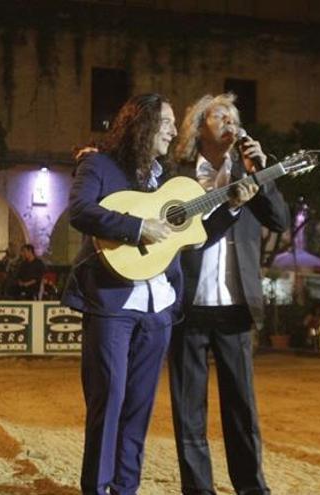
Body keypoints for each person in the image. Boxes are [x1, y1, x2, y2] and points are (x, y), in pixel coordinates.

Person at [60, 93, 257, 495]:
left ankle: (126, 488)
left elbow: (192, 238)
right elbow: (80, 211)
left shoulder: (166, 181)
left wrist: (232, 207)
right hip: (113, 302)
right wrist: (136, 229)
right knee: (108, 402)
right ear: (141, 124)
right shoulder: (98, 164)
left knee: (138, 408)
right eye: (165, 122)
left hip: (159, 307)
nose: (172, 130)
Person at [168, 93, 289, 495]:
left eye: (234, 116)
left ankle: (252, 489)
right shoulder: (177, 175)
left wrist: (263, 172)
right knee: (189, 414)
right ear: (199, 125)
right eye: (220, 115)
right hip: (188, 308)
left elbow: (280, 220)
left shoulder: (248, 173)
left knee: (242, 411)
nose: (230, 122)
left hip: (235, 308)